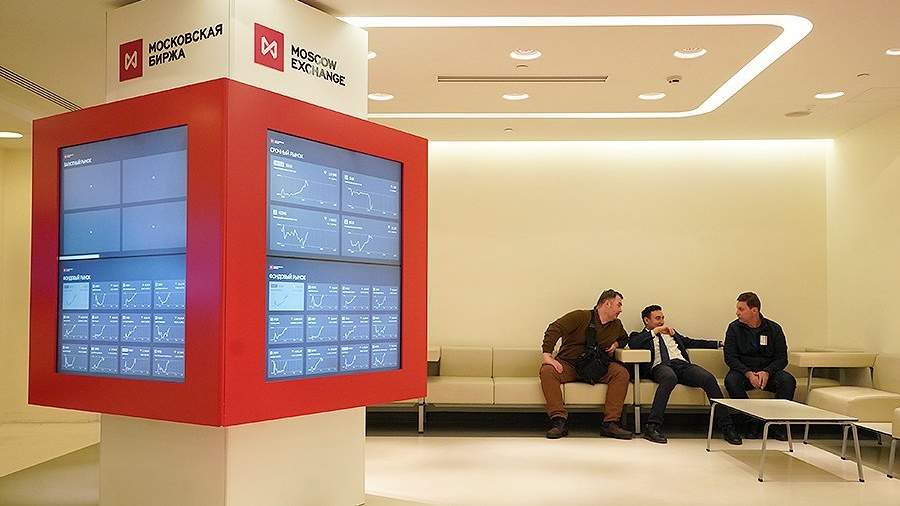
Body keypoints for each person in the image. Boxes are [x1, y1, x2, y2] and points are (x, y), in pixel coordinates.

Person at [628, 305, 742, 445]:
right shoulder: (638, 336)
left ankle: (727, 427)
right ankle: (652, 426)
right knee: (669, 378)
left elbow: (691, 342)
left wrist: (718, 344)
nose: (662, 321)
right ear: (646, 320)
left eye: (662, 318)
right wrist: (654, 332)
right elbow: (633, 343)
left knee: (708, 378)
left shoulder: (671, 334)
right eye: (657, 318)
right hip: (660, 366)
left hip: (682, 365)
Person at [539, 289, 632, 440]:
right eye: (619, 305)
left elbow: (624, 338)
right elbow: (554, 328)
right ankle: (559, 421)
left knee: (621, 373)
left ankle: (610, 423)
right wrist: (547, 356)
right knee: (547, 371)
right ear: (607, 304)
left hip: (597, 366)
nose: (621, 310)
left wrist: (616, 344)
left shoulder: (616, 325)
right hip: (569, 365)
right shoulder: (580, 316)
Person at [723, 292, 796, 440]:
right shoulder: (734, 328)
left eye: (741, 309)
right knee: (731, 381)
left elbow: (782, 358)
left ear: (754, 310)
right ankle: (750, 423)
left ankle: (776, 425)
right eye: (737, 309)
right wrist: (748, 373)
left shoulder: (774, 329)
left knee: (788, 381)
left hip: (769, 373)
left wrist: (767, 372)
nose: (737, 313)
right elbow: (730, 357)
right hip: (743, 372)